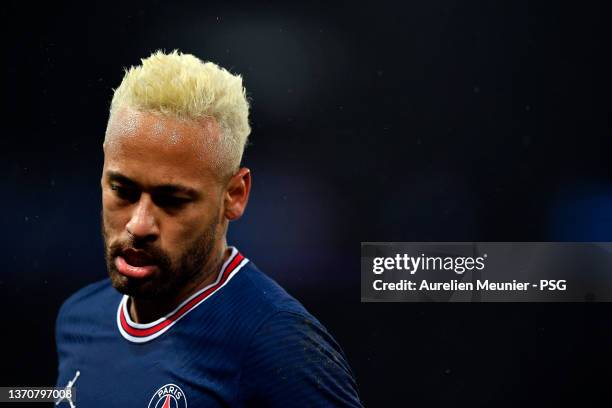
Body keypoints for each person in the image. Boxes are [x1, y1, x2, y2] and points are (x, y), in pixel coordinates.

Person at [55, 50, 362, 407]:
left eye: (172, 200)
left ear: (234, 195)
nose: (138, 225)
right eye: (122, 190)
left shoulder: (278, 344)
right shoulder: (78, 319)